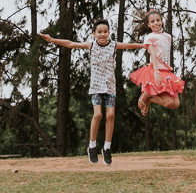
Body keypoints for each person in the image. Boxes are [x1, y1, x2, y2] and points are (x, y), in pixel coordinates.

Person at [39, 19, 146, 165]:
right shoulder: (91, 45)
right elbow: (70, 44)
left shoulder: (114, 45)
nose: (103, 34)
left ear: (109, 33)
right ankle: (92, 145)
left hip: (110, 87)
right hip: (96, 86)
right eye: (100, 32)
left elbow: (129, 45)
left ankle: (107, 147)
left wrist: (144, 45)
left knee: (111, 115)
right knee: (98, 114)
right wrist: (52, 40)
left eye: (105, 31)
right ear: (94, 34)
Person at [129, 9, 185, 115]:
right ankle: (148, 97)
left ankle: (149, 97)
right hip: (156, 70)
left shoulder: (168, 37)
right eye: (153, 21)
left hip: (167, 72)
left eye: (158, 20)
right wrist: (156, 71)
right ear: (148, 24)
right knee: (168, 103)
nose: (156, 23)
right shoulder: (149, 37)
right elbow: (153, 54)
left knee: (176, 104)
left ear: (161, 21)